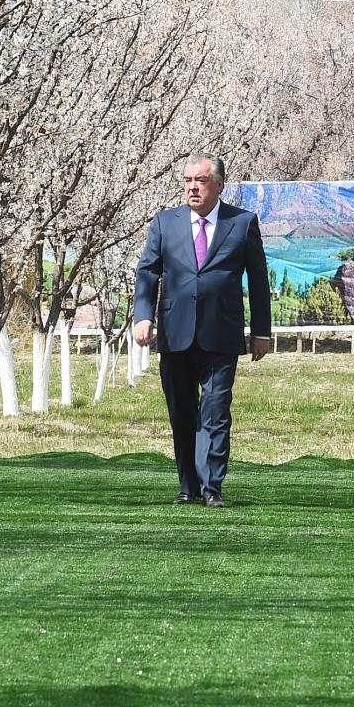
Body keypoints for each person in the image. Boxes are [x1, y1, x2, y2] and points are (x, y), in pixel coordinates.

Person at [133, 152, 273, 508]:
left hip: (221, 333)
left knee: (215, 411)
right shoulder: (165, 223)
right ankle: (188, 486)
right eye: (188, 181)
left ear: (219, 185)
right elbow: (148, 271)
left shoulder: (242, 223)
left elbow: (258, 280)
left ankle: (212, 487)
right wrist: (143, 315)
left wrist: (261, 331)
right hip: (175, 333)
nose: (193, 188)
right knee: (182, 413)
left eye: (201, 181)